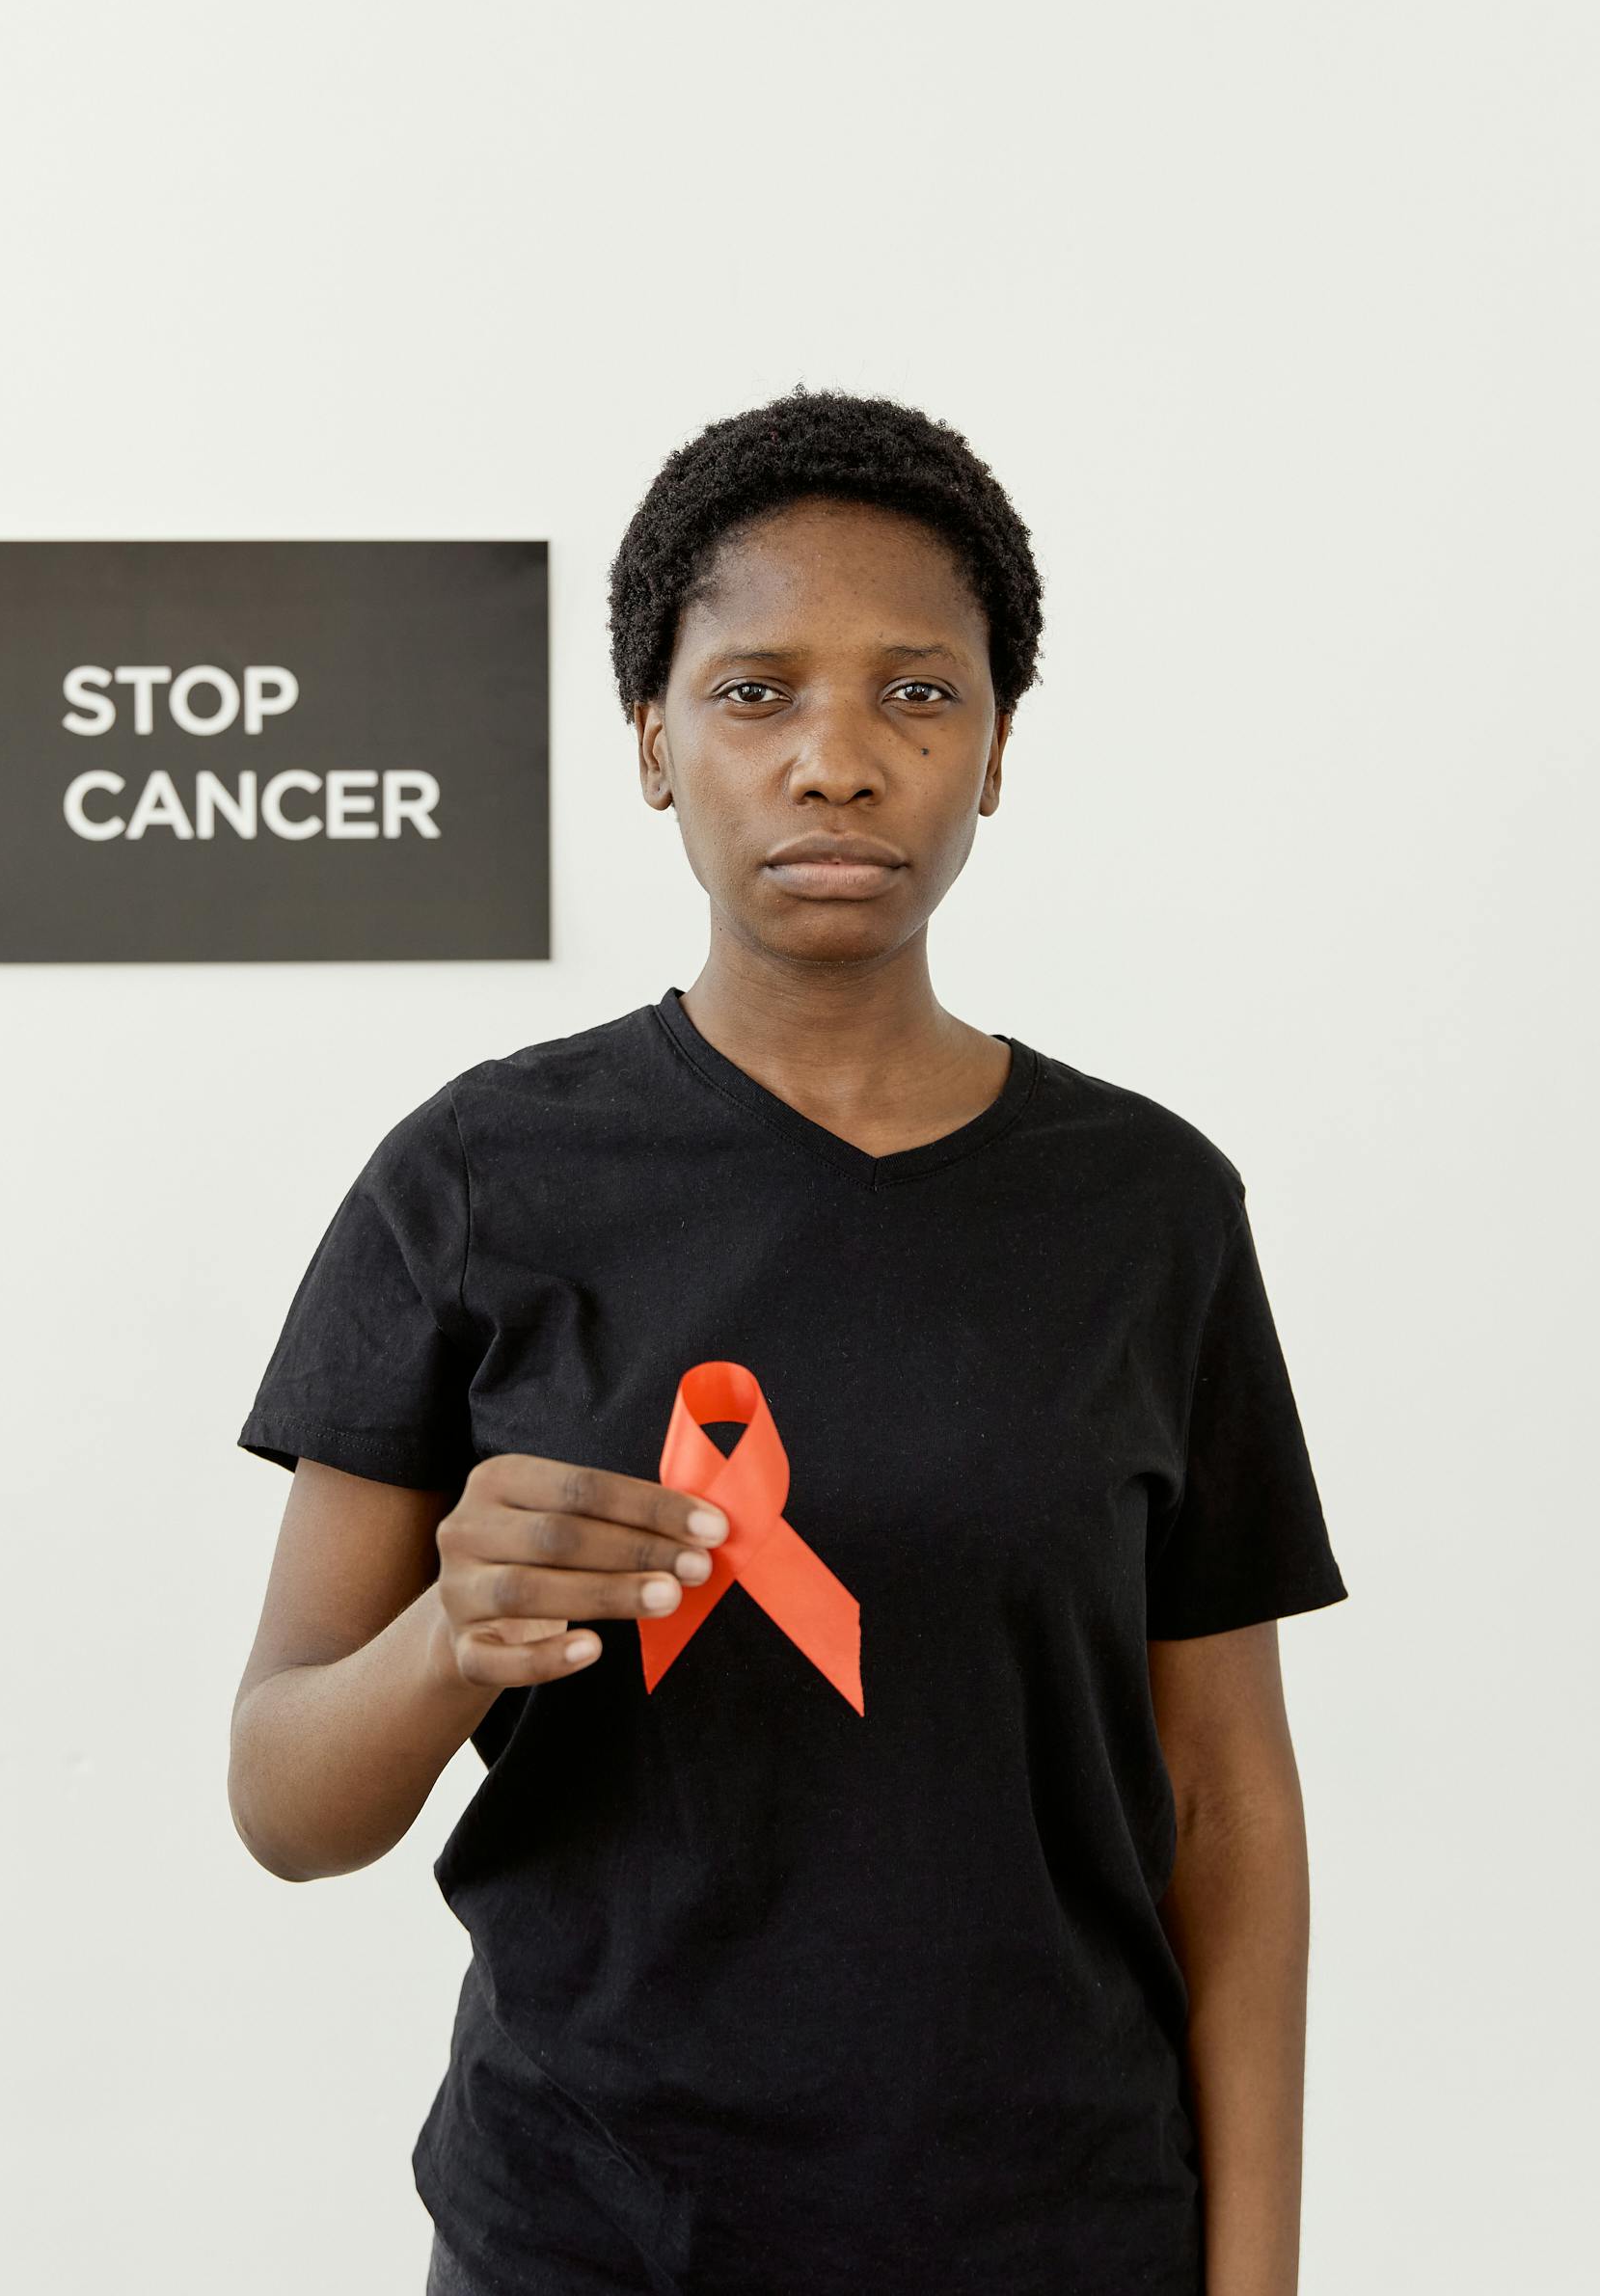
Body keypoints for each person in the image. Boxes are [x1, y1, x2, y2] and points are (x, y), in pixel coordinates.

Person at [228, 388, 1350, 2296]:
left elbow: (1227, 1799)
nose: (834, 760)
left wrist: (1254, 2281)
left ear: (995, 751)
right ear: (650, 742)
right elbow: (284, 1803)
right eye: (754, 692)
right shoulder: (480, 1179)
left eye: (917, 693)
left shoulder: (1148, 1210)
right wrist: (447, 1639)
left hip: (1056, 2237)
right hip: (590, 2239)